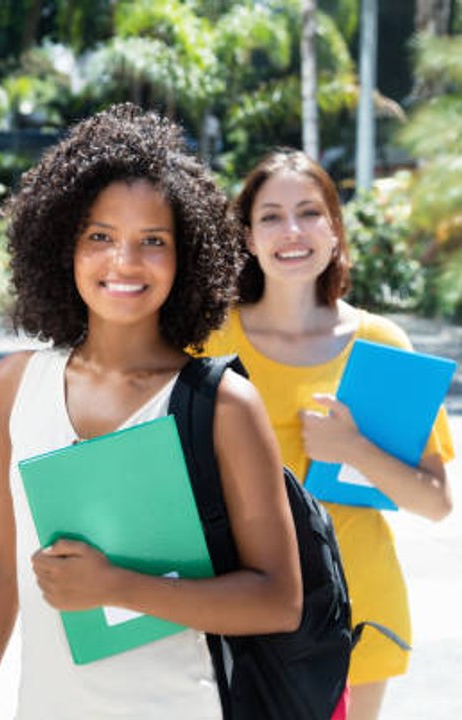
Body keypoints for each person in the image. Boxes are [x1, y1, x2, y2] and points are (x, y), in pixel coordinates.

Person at [0, 104, 304, 720]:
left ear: (187, 254)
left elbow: (279, 601)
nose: (125, 262)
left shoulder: (222, 404)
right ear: (62, 245)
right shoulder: (15, 385)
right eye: (100, 237)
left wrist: (117, 586)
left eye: (153, 241)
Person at [202, 148, 454, 720]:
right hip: (240, 613)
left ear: (335, 230)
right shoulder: (209, 342)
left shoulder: (382, 344)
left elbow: (435, 502)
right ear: (247, 236)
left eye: (310, 212)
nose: (292, 230)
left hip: (359, 614)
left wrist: (352, 449)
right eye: (270, 216)